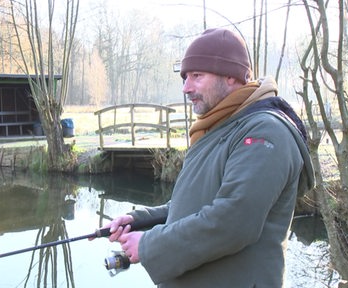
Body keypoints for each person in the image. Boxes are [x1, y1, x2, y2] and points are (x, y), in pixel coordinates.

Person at [103, 28, 315, 287]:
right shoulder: (220, 126)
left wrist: (148, 246)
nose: (186, 88)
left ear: (230, 77)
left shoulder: (264, 131)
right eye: (185, 77)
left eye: (197, 76)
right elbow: (196, 202)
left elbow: (234, 222)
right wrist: (140, 220)